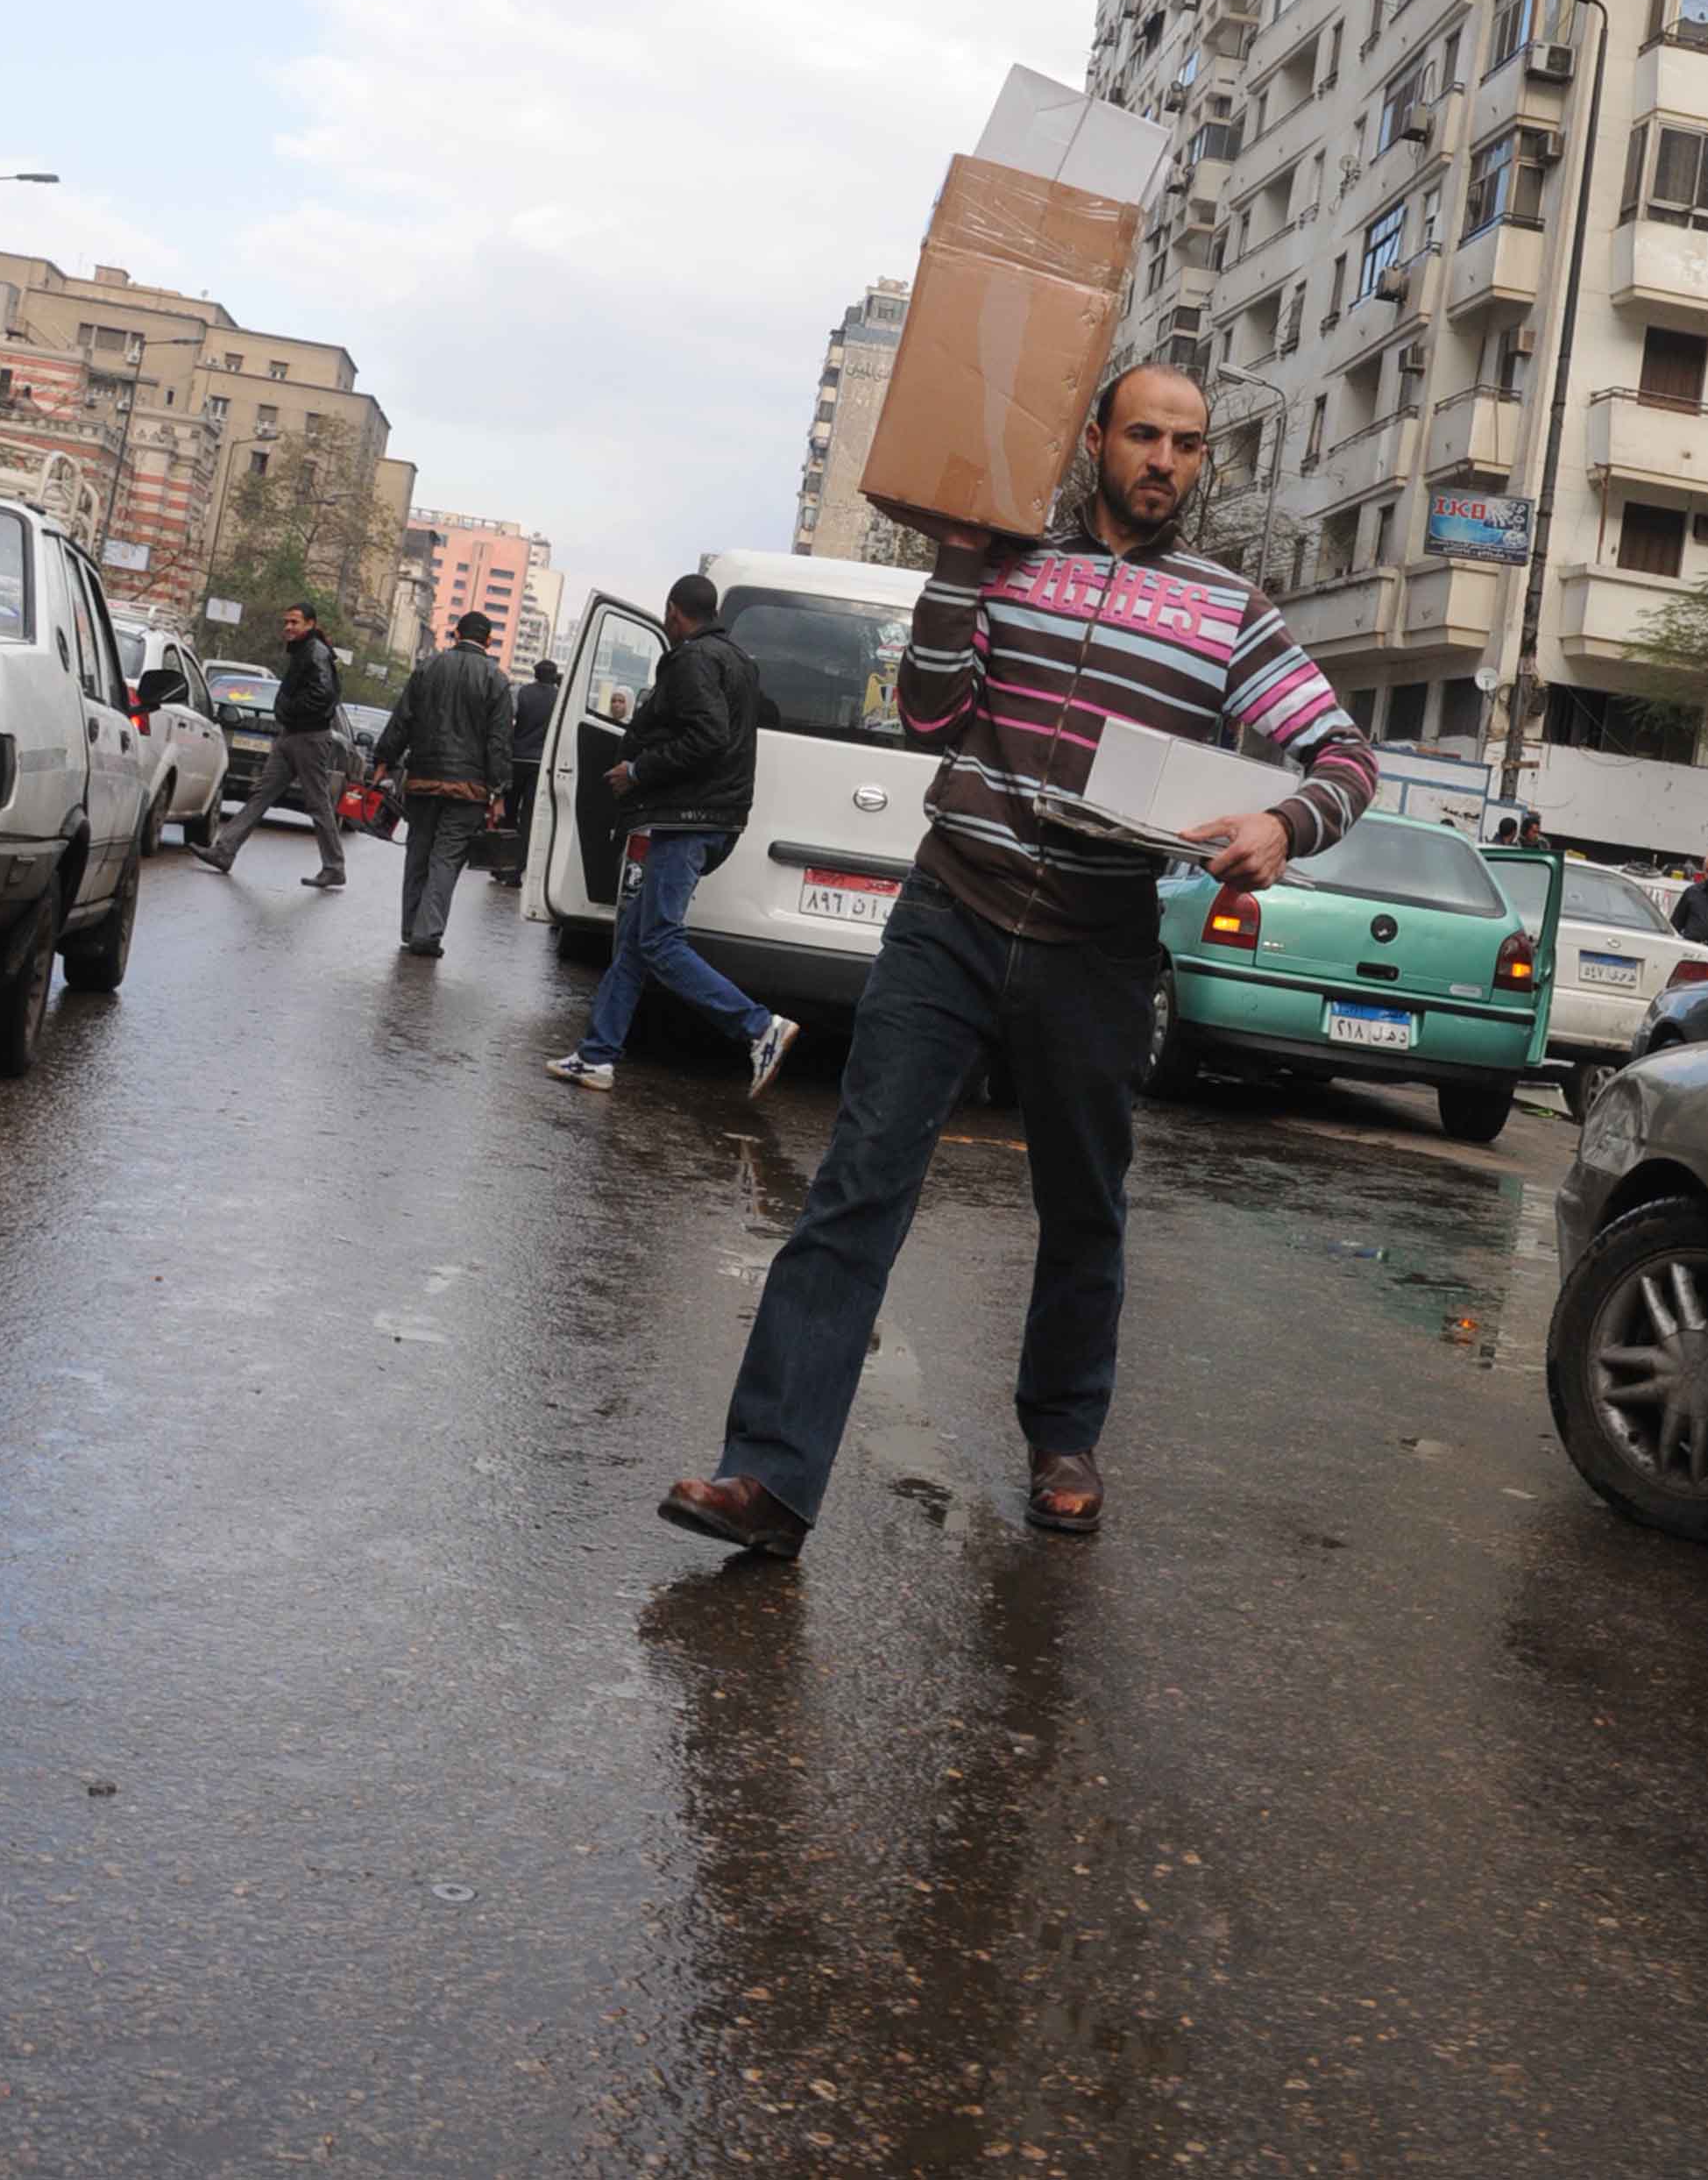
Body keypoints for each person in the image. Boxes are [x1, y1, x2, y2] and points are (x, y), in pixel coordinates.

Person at [659, 362, 1379, 1562]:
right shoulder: (1005, 563)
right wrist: (955, 566)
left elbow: (1345, 756)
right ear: (1095, 438)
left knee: (1084, 1202)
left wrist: (1283, 822)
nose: (1162, 460)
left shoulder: (1230, 612)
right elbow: (929, 720)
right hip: (952, 910)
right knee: (857, 1184)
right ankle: (768, 1476)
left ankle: (1062, 1439)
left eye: (1186, 443)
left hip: (1099, 942)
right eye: (1142, 434)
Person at [544, 575, 797, 1097]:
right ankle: (596, 1057)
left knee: (658, 939)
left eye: (668, 616)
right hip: (718, 817)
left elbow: (707, 735)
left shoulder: (692, 659)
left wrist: (638, 771)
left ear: (675, 612)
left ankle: (759, 1027)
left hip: (687, 818)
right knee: (635, 944)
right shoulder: (740, 661)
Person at [373, 609, 514, 957]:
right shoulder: (496, 680)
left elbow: (402, 719)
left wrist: (384, 761)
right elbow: (498, 743)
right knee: (446, 859)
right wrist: (499, 791)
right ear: (489, 641)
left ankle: (410, 928)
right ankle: (427, 934)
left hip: (422, 780)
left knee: (418, 852)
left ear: (456, 634)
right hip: (468, 789)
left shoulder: (428, 668)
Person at [193, 601, 348, 890]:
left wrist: (290, 710)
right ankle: (224, 851)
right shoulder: (304, 650)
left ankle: (334, 867)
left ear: (310, 624)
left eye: (295, 622)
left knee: (318, 804)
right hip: (291, 736)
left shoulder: (315, 651)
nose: (288, 627)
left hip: (309, 738)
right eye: (286, 622)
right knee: (261, 794)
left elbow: (324, 694)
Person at [496, 656, 561, 884]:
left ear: (535, 674)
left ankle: (500, 864)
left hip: (516, 759)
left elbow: (506, 718)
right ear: (554, 677)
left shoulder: (520, 692)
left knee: (509, 812)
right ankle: (516, 870)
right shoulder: (560, 699)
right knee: (529, 816)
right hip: (540, 764)